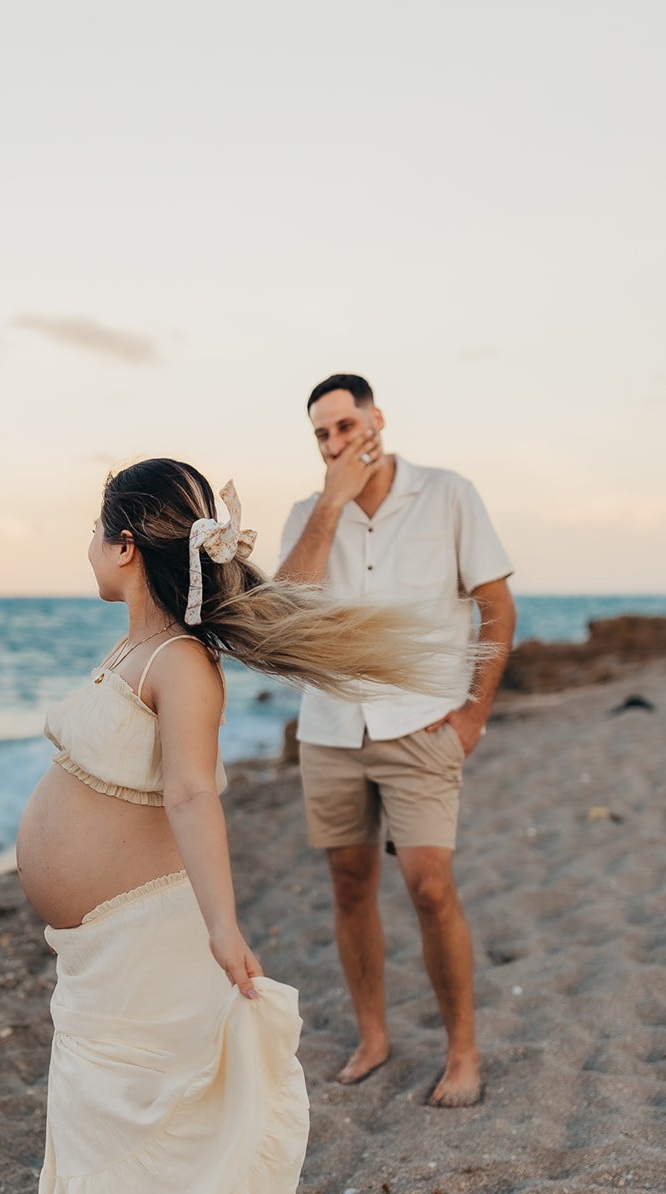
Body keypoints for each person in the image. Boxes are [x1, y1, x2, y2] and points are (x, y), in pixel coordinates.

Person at [14, 458, 464, 1194]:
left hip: (151, 943)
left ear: (128, 543)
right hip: (100, 960)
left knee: (146, 1146)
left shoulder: (183, 666)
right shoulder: (132, 646)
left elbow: (189, 797)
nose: (85, 545)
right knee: (103, 1146)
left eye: (94, 528)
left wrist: (223, 927)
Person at [276, 374, 516, 1109]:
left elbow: (497, 610)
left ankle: (463, 1052)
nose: (335, 443)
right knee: (350, 886)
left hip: (423, 726)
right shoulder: (309, 513)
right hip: (331, 729)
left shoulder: (447, 494)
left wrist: (473, 716)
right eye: (321, 435)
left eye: (344, 426)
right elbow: (285, 613)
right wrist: (332, 501)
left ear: (376, 418)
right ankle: (374, 1036)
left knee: (430, 886)